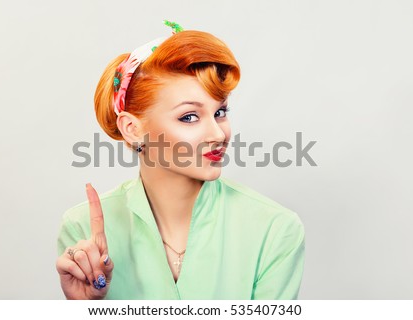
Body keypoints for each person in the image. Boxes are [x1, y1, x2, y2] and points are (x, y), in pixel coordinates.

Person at [55, 21, 305, 300]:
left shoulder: (274, 229)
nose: (218, 133)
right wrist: (89, 310)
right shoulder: (82, 232)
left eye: (220, 112)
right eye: (189, 117)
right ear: (132, 129)